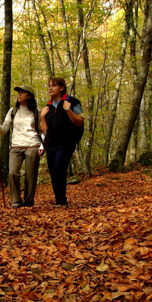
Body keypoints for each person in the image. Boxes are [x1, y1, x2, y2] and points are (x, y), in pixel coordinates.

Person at [0, 85, 44, 208]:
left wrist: (42, 146)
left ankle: (28, 201)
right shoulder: (13, 111)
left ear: (29, 96)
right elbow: (3, 130)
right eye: (18, 93)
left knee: (30, 175)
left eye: (22, 93)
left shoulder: (37, 112)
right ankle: (16, 200)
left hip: (33, 145)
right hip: (16, 146)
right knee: (12, 173)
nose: (19, 95)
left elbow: (42, 131)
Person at [40, 77, 85, 206]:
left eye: (53, 85)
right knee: (54, 172)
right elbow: (45, 130)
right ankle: (59, 200)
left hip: (66, 142)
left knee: (60, 168)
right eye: (49, 85)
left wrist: (67, 110)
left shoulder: (72, 101)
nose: (50, 88)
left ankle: (62, 200)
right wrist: (43, 116)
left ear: (62, 87)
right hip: (51, 144)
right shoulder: (47, 107)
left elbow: (79, 121)